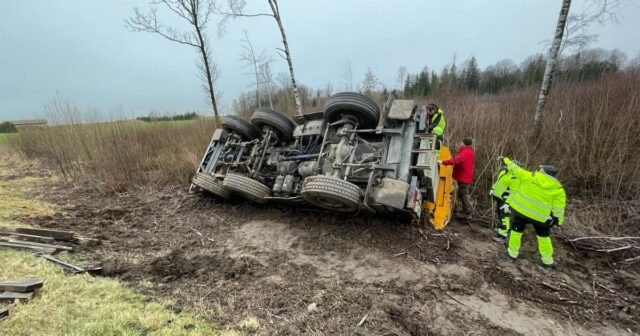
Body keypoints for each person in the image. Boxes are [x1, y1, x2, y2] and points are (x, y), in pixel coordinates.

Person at [500, 156, 566, 269]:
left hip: (522, 213)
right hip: (541, 218)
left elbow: (514, 168)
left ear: (544, 172)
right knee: (544, 238)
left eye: (541, 169)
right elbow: (559, 208)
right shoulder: (559, 189)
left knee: (516, 233)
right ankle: (547, 262)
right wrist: (557, 221)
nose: (539, 169)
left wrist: (505, 159)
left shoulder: (529, 176)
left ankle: (512, 255)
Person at [438, 137, 475, 219]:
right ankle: (461, 210)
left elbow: (456, 160)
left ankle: (468, 212)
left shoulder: (466, 152)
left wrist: (443, 162)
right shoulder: (468, 151)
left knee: (464, 194)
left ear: (463, 143)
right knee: (461, 194)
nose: (460, 144)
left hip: (463, 177)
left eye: (461, 142)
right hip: (464, 176)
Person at [490, 160, 522, 242]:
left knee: (504, 217)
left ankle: (503, 235)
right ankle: (500, 228)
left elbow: (514, 192)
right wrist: (493, 189)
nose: (506, 165)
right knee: (499, 214)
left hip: (506, 200)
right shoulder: (504, 172)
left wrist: (508, 203)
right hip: (499, 197)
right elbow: (498, 182)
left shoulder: (515, 177)